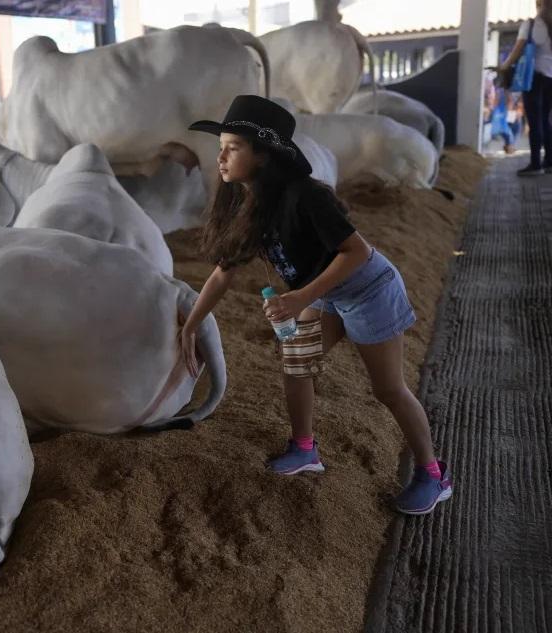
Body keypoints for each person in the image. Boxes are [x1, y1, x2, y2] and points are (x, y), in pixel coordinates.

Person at [176, 95, 453, 516]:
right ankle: (305, 449)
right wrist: (191, 323)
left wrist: (300, 297)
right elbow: (223, 273)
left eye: (233, 148)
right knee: (295, 361)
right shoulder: (248, 203)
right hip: (325, 292)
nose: (221, 157)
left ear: (264, 155)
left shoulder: (305, 196)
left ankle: (432, 473)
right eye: (221, 148)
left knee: (388, 389)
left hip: (368, 289)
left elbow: (355, 251)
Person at [499, 0, 552, 176]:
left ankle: (536, 164)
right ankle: (550, 161)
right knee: (546, 120)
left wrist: (504, 67)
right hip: (551, 79)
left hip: (533, 78)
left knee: (535, 122)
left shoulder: (530, 24)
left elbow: (517, 50)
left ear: (538, 4)